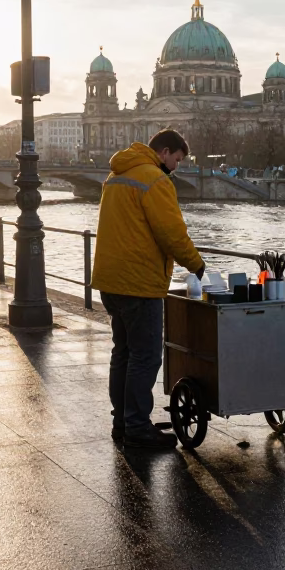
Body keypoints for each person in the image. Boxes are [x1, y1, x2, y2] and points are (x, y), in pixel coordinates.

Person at [91, 129, 206, 450]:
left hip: (110, 281)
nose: (178, 167)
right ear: (165, 152)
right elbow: (172, 233)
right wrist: (196, 264)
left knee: (123, 354)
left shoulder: (117, 175)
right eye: (178, 160)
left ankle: (123, 422)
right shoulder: (155, 180)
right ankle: (138, 428)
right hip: (138, 283)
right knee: (144, 358)